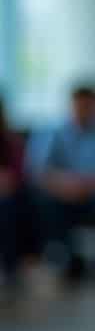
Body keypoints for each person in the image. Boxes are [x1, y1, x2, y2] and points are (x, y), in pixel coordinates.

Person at [26, 85, 95, 279]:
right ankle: (68, 258)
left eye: (88, 106)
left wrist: (87, 184)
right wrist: (65, 184)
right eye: (80, 105)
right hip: (63, 193)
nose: (84, 110)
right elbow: (38, 170)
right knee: (45, 201)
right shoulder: (53, 132)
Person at [0, 97, 25, 289]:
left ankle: (11, 268)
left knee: (8, 205)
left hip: (6, 196)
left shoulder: (10, 141)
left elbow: (17, 175)